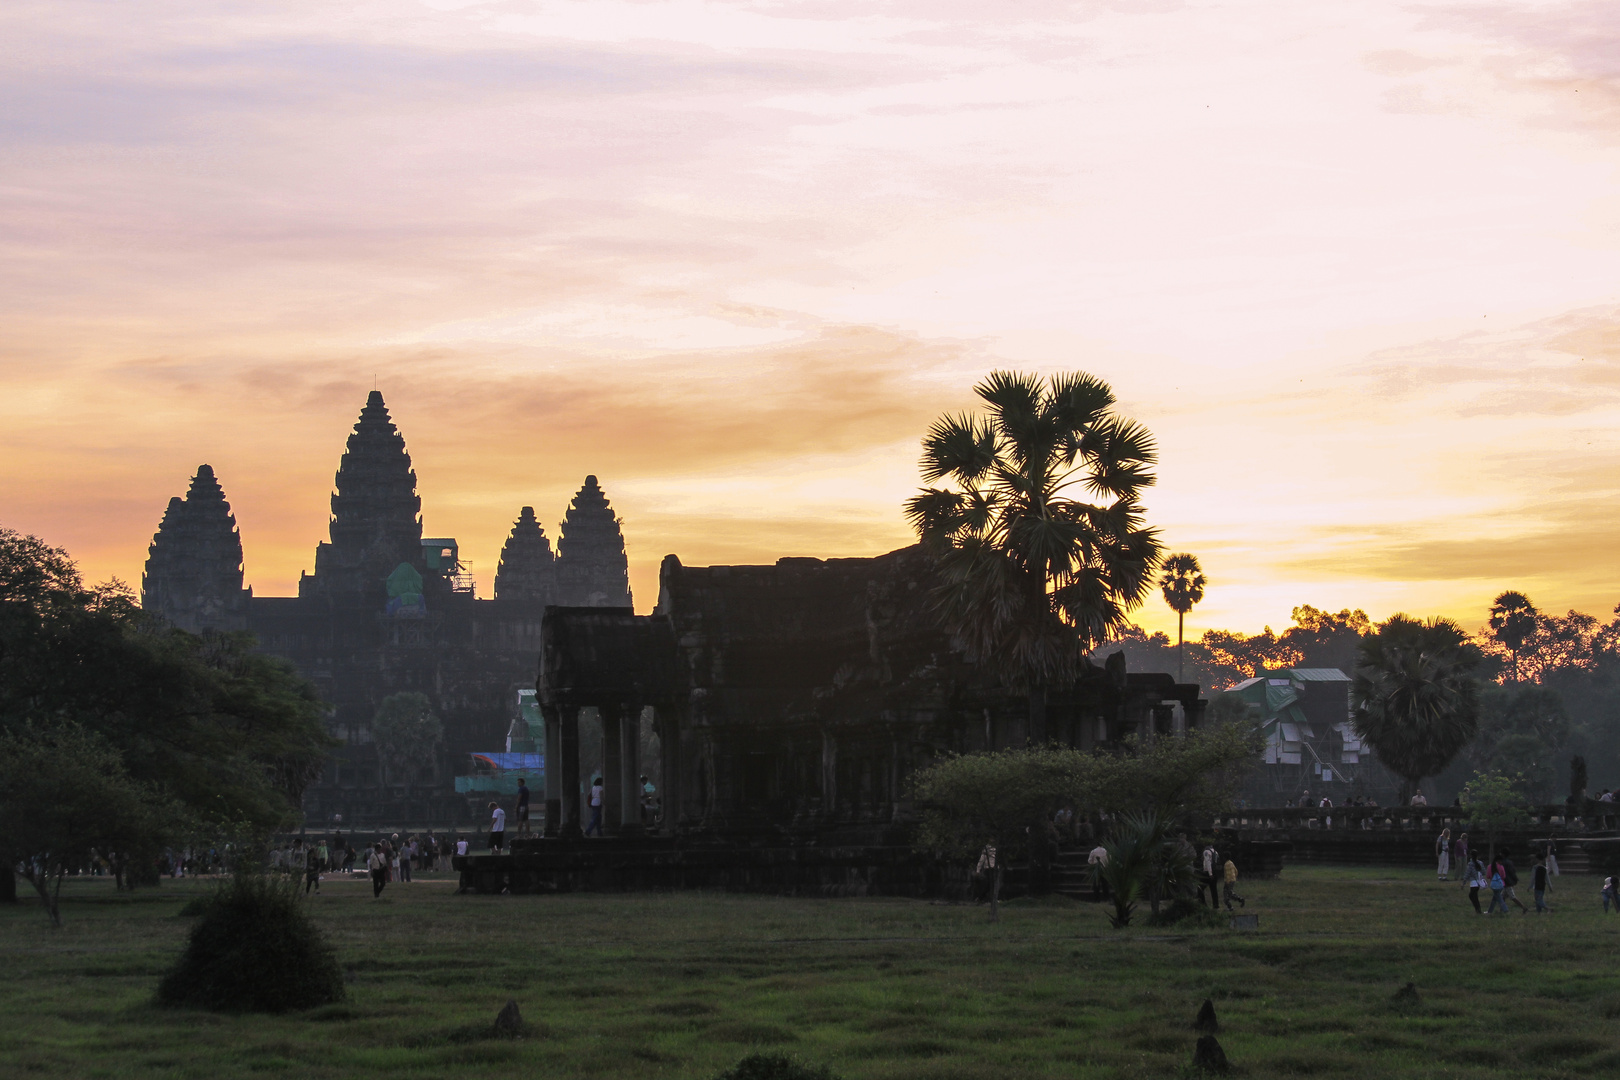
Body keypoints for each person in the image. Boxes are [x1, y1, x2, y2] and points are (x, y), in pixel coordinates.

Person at [1200, 843, 1220, 908]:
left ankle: (1203, 904)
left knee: (1200, 888)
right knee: (1214, 889)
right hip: (1215, 872)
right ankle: (1216, 905)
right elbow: (1217, 861)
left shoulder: (1206, 852)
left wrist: (1210, 874)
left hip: (1207, 872)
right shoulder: (1215, 852)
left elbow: (1208, 862)